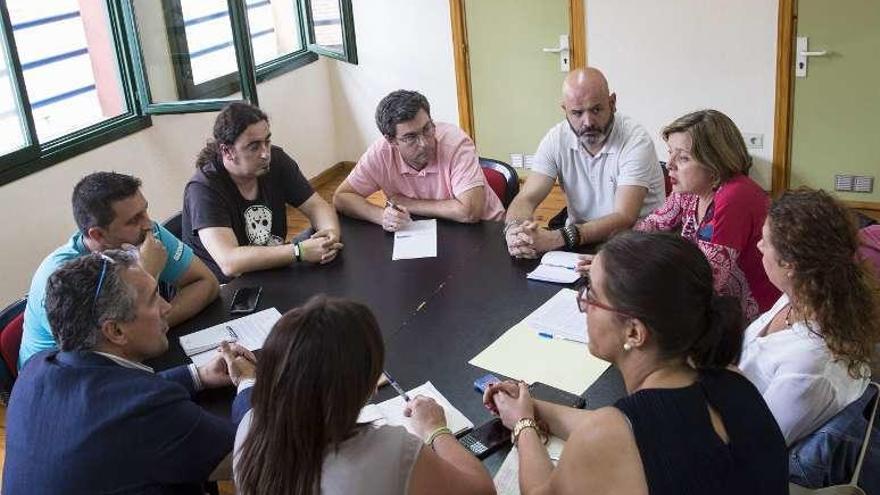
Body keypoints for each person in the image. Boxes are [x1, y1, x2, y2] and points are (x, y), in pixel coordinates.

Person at [485, 232, 788, 494]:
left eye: (591, 293)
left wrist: (523, 426)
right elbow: (633, 435)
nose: (583, 303)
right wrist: (533, 408)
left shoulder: (611, 434)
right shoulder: (733, 381)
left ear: (634, 331)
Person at [3, 251, 257, 494]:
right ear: (115, 331)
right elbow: (249, 454)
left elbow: (112, 401)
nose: (166, 307)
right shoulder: (147, 408)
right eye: (153, 298)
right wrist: (247, 381)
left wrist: (197, 375)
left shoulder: (35, 369)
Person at [234, 295, 495, 495]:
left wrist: (245, 380)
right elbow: (481, 491)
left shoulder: (250, 428)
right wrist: (436, 429)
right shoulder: (389, 452)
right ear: (366, 386)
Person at [19, 172, 219, 368]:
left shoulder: (145, 234)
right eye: (133, 220)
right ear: (97, 234)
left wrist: (153, 325)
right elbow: (103, 348)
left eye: (145, 211)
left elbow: (206, 283)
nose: (148, 224)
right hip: (67, 380)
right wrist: (148, 271)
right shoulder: (61, 277)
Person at [739, 188, 879, 446]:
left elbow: (752, 447)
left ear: (790, 264)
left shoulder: (808, 366)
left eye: (766, 241)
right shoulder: (801, 296)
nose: (759, 246)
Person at [633, 109, 779, 320]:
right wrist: (614, 257)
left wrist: (634, 274)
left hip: (751, 316)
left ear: (714, 164)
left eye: (683, 158)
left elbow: (707, 280)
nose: (670, 165)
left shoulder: (735, 196)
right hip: (712, 303)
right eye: (669, 152)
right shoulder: (690, 190)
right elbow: (652, 225)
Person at [504, 68, 665, 258]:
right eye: (577, 113)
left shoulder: (636, 140)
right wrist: (516, 232)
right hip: (580, 242)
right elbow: (527, 198)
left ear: (612, 103)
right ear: (565, 110)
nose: (588, 122)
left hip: (635, 248)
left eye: (596, 109)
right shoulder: (556, 138)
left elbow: (625, 217)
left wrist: (556, 238)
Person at [184, 102, 343, 283]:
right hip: (227, 290)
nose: (265, 153)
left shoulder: (276, 161)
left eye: (267, 141)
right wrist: (299, 251)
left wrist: (330, 235)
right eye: (254, 147)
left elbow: (316, 206)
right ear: (227, 151)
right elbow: (229, 262)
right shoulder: (203, 188)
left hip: (268, 272)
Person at [333, 90, 504, 231]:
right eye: (410, 137)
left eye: (427, 128)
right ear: (391, 140)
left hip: (486, 231)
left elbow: (470, 212)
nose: (424, 143)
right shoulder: (380, 153)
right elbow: (342, 197)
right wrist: (381, 216)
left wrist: (408, 204)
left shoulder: (456, 144)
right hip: (428, 232)